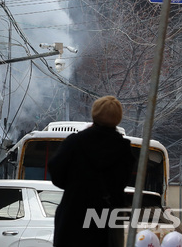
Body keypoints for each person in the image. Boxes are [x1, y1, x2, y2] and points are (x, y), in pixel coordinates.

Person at [48, 95, 135, 247]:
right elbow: (123, 181)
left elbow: (56, 173)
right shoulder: (124, 150)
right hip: (106, 223)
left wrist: (75, 187)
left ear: (94, 113)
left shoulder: (74, 142)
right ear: (118, 118)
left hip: (73, 220)